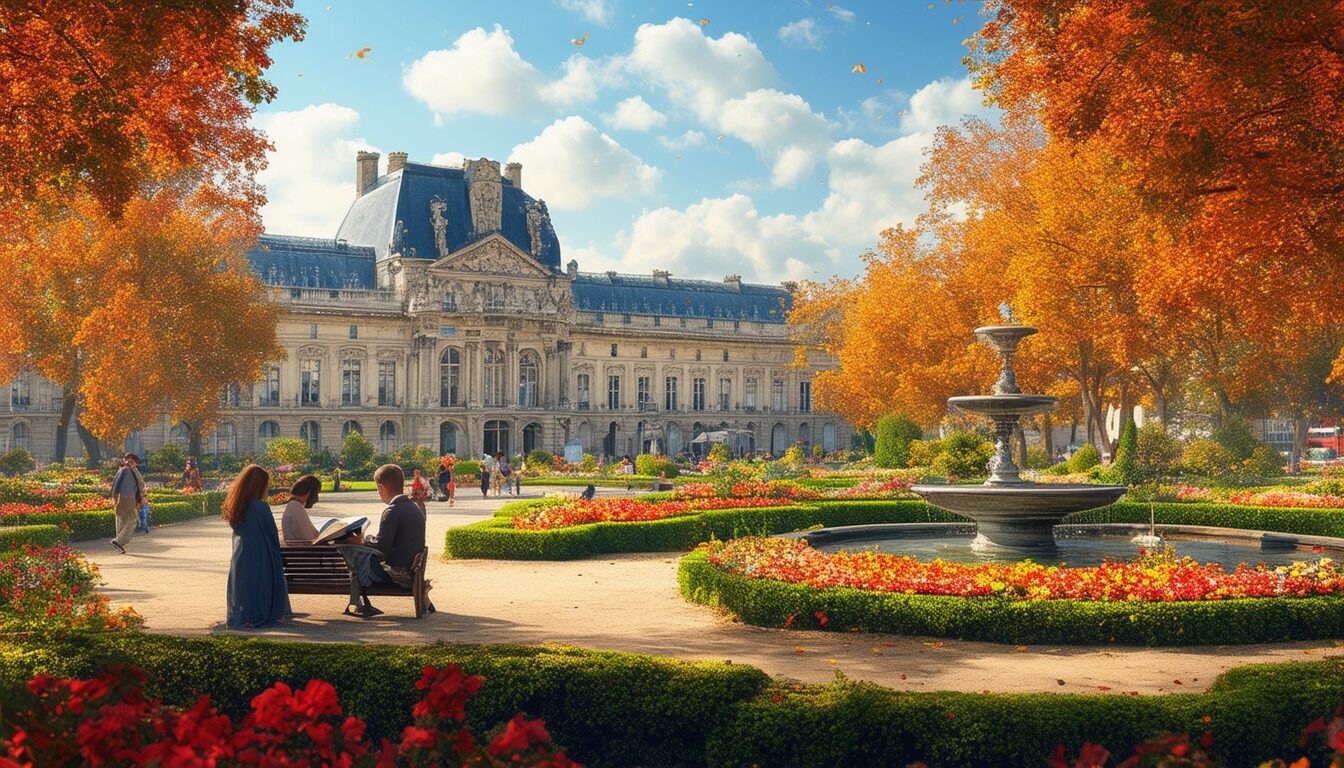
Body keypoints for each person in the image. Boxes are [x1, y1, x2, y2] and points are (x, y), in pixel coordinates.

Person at [345, 464, 430, 618]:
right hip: (411, 570)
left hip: (395, 574)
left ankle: (356, 602)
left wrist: (363, 541)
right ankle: (358, 602)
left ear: (381, 487)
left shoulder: (392, 511)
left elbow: (382, 548)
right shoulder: (414, 508)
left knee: (353, 555)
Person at [224, 464, 290, 629]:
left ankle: (245, 617)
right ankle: (259, 616)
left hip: (240, 555)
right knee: (261, 588)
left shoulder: (237, 506)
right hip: (260, 555)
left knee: (244, 589)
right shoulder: (260, 507)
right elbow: (271, 534)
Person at [110, 453, 145, 554]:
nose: (130, 463)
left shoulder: (122, 470)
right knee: (132, 520)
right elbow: (141, 484)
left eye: (132, 461)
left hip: (123, 497)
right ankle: (118, 541)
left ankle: (118, 541)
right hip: (128, 498)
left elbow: (114, 485)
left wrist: (114, 497)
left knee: (121, 518)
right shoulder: (128, 470)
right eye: (129, 461)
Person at [280, 474, 322, 546]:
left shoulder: (294, 506)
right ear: (309, 492)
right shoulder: (296, 508)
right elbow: (308, 538)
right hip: (305, 554)